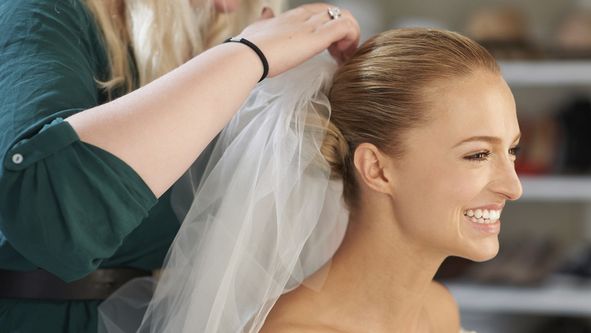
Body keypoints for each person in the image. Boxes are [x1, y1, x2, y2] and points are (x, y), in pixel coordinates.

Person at [104, 28, 523, 332]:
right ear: (377, 169)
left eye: (513, 150)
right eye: (478, 154)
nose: (513, 185)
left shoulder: (437, 311)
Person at [0, 0, 360, 331]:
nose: (228, 6)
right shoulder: (38, 12)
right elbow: (45, 208)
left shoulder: (201, 33)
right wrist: (246, 56)